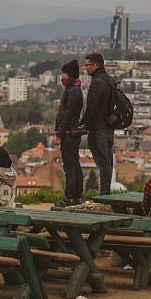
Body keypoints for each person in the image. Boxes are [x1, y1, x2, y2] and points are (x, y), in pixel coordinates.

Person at [81, 52, 115, 195]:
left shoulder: (97, 83)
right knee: (107, 160)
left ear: (96, 65)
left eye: (87, 65)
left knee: (102, 161)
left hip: (98, 128)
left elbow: (92, 107)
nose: (85, 68)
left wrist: (84, 125)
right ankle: (106, 191)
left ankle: (104, 193)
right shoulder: (109, 80)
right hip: (109, 126)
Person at [55, 59, 85, 206]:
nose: (62, 77)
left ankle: (69, 197)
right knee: (75, 165)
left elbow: (67, 115)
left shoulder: (73, 92)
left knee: (70, 167)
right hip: (72, 133)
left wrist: (59, 134)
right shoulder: (74, 90)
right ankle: (77, 196)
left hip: (68, 134)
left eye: (64, 74)